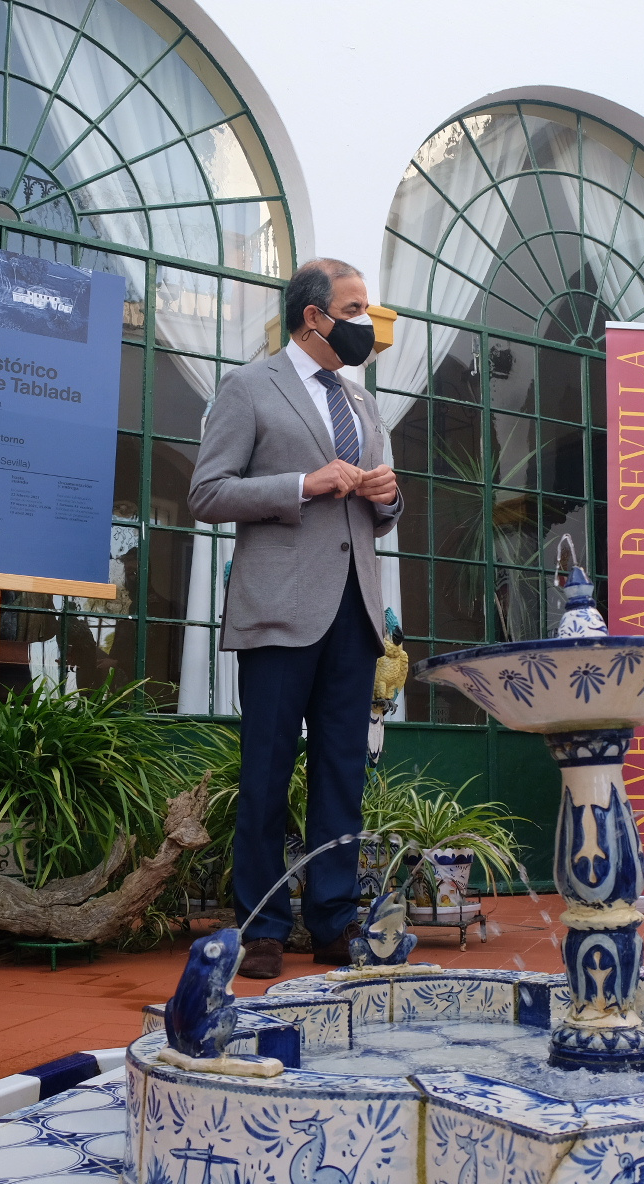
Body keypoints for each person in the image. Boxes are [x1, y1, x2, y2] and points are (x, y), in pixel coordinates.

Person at [187, 259, 402, 979]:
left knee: (343, 772)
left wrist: (387, 495)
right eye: (354, 307)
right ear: (314, 317)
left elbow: (383, 520)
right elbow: (208, 493)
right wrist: (302, 484)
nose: (365, 321)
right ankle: (262, 924)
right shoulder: (249, 386)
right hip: (278, 611)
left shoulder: (364, 406)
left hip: (354, 610)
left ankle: (333, 921)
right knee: (268, 771)